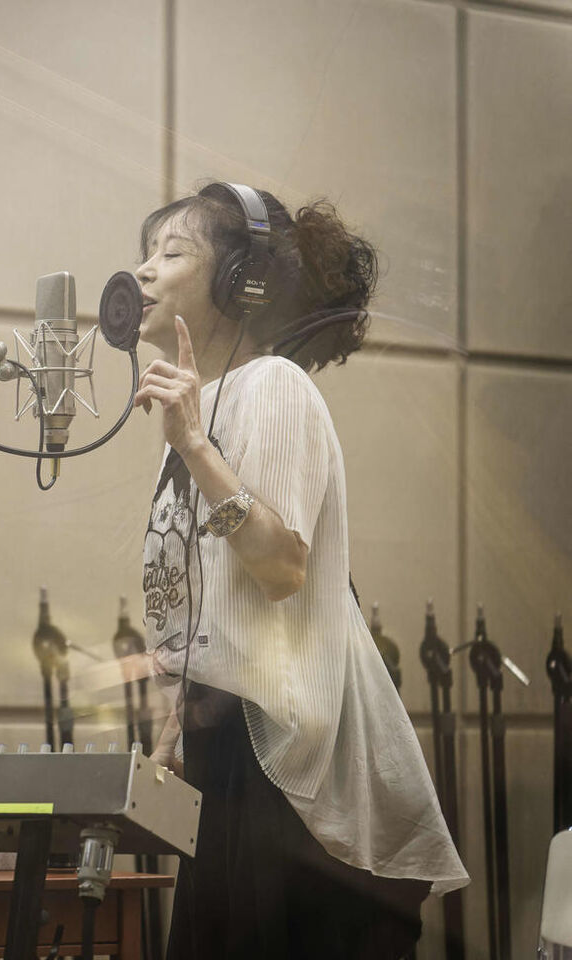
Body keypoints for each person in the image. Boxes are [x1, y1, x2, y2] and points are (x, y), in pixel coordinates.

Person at [130, 182, 468, 959]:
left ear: (239, 282)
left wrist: (195, 447)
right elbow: (218, 606)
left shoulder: (274, 386)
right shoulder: (201, 411)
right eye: (145, 254)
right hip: (230, 754)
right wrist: (178, 723)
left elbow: (281, 567)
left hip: (286, 778)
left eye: (172, 253)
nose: (144, 271)